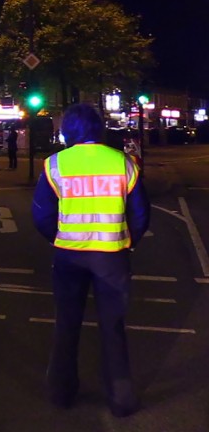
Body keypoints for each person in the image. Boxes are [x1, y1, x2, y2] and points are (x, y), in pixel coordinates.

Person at [32, 103, 150, 418]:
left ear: (67, 130)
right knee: (112, 327)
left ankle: (61, 393)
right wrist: (128, 242)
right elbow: (139, 215)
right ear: (99, 129)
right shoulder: (123, 163)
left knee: (66, 324)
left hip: (69, 256)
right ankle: (121, 399)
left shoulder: (54, 165)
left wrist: (58, 239)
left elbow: (42, 216)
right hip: (112, 257)